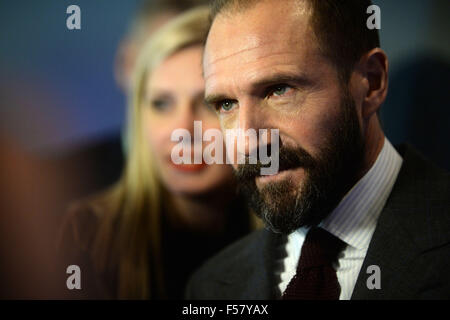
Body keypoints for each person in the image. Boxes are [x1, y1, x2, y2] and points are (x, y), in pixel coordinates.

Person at [186, 0, 450, 299]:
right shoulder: (210, 287)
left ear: (372, 83)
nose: (247, 142)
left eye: (279, 89)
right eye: (226, 104)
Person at [58, 6, 254, 300]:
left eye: (208, 103)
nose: (182, 129)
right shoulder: (87, 239)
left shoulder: (291, 233)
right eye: (161, 104)